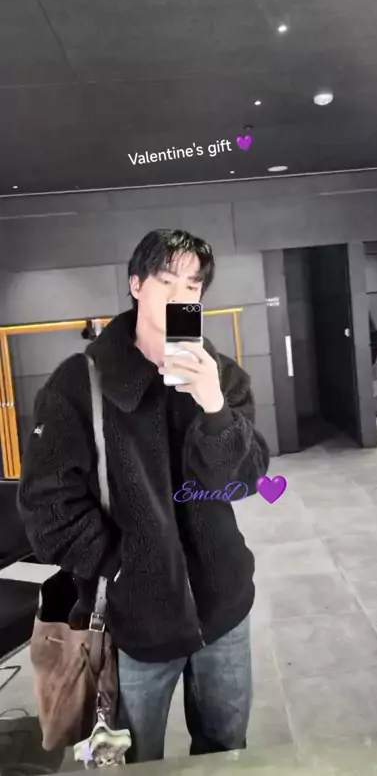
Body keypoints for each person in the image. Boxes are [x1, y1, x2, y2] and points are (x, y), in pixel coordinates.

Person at [18, 228, 270, 763]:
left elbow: (248, 477)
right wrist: (122, 566)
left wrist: (214, 408)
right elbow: (47, 507)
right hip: (135, 620)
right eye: (166, 281)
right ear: (136, 285)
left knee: (227, 750)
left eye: (192, 286)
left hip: (224, 608)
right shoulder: (77, 385)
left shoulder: (220, 375)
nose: (181, 295)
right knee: (134, 761)